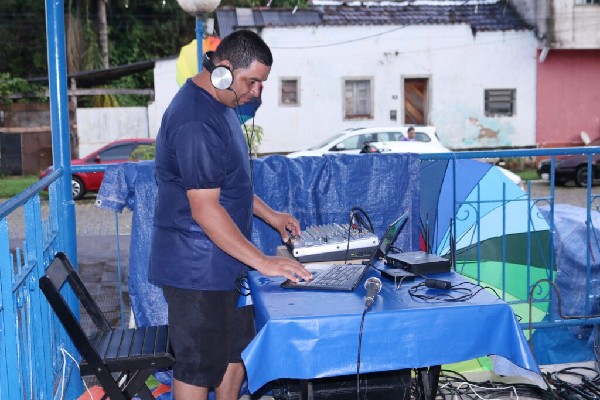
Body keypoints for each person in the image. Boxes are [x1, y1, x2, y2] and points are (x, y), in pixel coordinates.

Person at [149, 30, 312, 400]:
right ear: (222, 71)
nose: (256, 92)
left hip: (225, 263)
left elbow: (227, 184)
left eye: (261, 83)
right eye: (251, 81)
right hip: (197, 270)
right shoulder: (195, 121)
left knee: (235, 350)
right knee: (198, 366)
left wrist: (271, 216)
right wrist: (264, 262)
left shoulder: (221, 107)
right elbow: (206, 208)